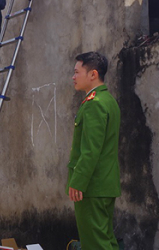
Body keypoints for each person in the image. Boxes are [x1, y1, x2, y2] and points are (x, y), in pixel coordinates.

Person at [68, 52, 121, 249]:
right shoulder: (108, 101)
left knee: (95, 244)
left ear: (93, 74)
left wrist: (78, 182)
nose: (73, 77)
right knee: (107, 241)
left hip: (91, 186)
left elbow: (90, 150)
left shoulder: (95, 104)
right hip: (105, 184)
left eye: (76, 72)